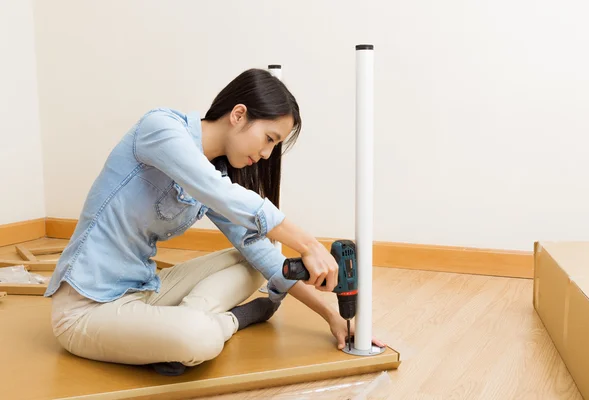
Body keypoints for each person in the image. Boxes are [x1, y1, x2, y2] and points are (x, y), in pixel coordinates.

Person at [44, 68, 384, 376]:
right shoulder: (160, 128)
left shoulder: (217, 173)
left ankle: (175, 325)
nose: (267, 155)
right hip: (86, 311)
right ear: (238, 115)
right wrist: (309, 244)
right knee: (200, 337)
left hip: (145, 290)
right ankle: (224, 322)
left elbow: (260, 252)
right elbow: (216, 191)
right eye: (269, 139)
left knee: (251, 260)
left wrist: (334, 318)